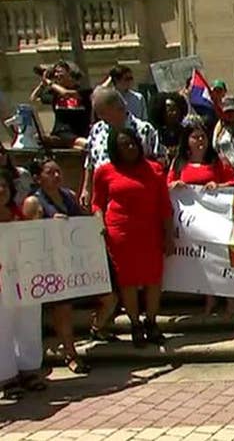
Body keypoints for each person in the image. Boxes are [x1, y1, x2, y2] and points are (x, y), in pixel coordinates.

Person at [92, 127, 175, 347]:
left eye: (131, 143)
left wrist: (168, 235)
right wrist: (99, 223)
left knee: (153, 279)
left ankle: (151, 321)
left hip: (150, 231)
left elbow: (165, 205)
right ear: (114, 149)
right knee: (128, 281)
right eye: (123, 145)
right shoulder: (104, 172)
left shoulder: (155, 169)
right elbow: (97, 203)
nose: (129, 148)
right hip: (120, 233)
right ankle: (135, 323)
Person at [21, 156, 91, 374]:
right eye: (50, 172)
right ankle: (70, 353)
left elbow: (83, 221)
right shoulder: (33, 202)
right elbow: (26, 236)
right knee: (63, 309)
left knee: (110, 297)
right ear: (37, 178)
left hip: (76, 262)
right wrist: (48, 225)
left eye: (58, 171)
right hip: (51, 266)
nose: (57, 176)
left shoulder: (69, 195)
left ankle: (97, 328)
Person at [170, 116, 234, 315]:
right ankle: (210, 299)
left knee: (221, 260)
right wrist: (174, 186)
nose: (201, 141)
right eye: (196, 137)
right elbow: (167, 185)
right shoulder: (179, 163)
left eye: (203, 137)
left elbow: (233, 183)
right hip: (191, 225)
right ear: (187, 140)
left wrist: (219, 186)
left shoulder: (218, 161)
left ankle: (231, 299)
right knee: (202, 263)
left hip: (216, 221)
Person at [0, 170, 46, 399]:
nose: (1, 191)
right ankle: (5, 376)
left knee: (28, 322)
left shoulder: (20, 214)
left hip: (23, 279)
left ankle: (28, 369)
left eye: (4, 186)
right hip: (1, 282)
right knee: (2, 327)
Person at [80, 87, 161, 209]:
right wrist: (86, 188)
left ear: (119, 108)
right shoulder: (97, 130)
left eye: (102, 112)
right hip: (104, 198)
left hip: (136, 196)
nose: (99, 116)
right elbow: (90, 161)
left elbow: (157, 164)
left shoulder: (144, 130)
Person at [30, 60, 92, 149]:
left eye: (59, 72)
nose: (56, 75)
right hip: (60, 134)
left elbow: (66, 94)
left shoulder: (84, 92)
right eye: (55, 73)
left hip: (80, 134)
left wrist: (50, 83)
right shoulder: (54, 94)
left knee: (81, 144)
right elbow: (34, 99)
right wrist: (43, 84)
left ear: (70, 73)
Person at [149, 92, 188, 163]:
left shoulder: (186, 133)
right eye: (170, 110)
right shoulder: (156, 135)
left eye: (177, 109)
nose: (174, 113)